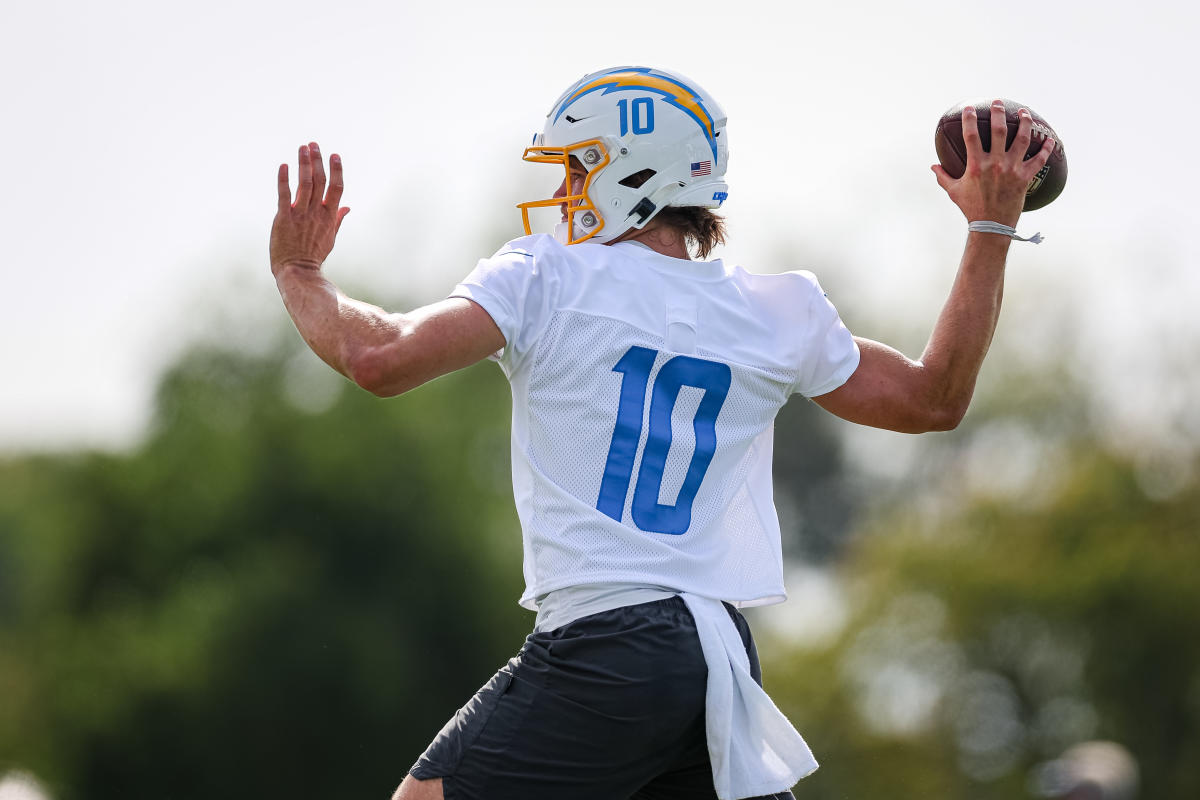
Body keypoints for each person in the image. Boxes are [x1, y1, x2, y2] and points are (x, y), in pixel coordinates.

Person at [269, 66, 1054, 800]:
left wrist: (301, 276)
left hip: (604, 643)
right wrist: (990, 226)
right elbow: (934, 399)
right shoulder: (775, 309)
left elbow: (379, 356)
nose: (567, 190)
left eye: (580, 167)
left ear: (635, 171)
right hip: (713, 660)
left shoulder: (548, 275)